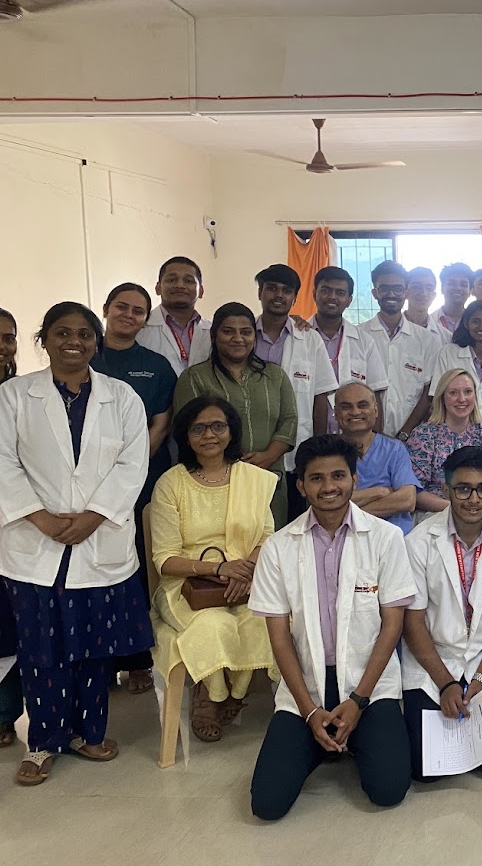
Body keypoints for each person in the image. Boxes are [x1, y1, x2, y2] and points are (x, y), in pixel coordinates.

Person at [0, 302, 153, 786]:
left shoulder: (121, 397)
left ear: (96, 341)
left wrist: (92, 516)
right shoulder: (13, 396)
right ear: (43, 339)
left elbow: (133, 463)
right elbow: (3, 462)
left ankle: (90, 733)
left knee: (95, 645)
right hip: (32, 541)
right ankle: (44, 743)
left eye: (85, 334)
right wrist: (39, 516)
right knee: (41, 648)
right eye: (62, 332)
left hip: (99, 538)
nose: (74, 341)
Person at [248, 435, 413, 820]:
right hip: (306, 688)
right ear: (301, 485)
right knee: (267, 804)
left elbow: (393, 627)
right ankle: (322, 738)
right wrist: (308, 710)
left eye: (338, 475)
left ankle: (348, 736)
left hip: (367, 688)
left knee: (388, 791)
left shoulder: (386, 539)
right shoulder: (278, 546)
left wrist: (357, 702)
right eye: (317, 478)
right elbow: (278, 636)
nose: (329, 487)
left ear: (354, 479)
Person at [149, 396, 278, 743]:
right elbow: (165, 559)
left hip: (245, 578)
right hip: (187, 585)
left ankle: (234, 693)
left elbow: (267, 537)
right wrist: (221, 569)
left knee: (262, 619)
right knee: (214, 622)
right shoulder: (171, 483)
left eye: (218, 426)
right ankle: (211, 696)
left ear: (231, 431)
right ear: (186, 436)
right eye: (199, 428)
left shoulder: (251, 479)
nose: (210, 435)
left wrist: (245, 571)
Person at [401, 445, 482, 781]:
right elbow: (413, 623)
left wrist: (481, 678)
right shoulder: (419, 542)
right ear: (446, 490)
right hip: (434, 661)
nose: (473, 499)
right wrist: (446, 684)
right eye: (463, 489)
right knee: (423, 769)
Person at [91, 282, 177, 695]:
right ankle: (99, 662)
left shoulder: (156, 365)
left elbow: (160, 423)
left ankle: (139, 659)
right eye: (121, 307)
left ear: (146, 318)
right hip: (85, 486)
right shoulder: (86, 357)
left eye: (138, 310)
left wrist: (129, 469)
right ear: (106, 309)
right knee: (93, 570)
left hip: (142, 481)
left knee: (139, 568)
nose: (129, 315)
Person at [174, 302, 297, 527]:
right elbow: (186, 430)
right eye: (228, 331)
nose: (238, 338)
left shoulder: (275, 376)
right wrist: (231, 465)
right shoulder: (194, 378)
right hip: (215, 479)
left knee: (271, 544)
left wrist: (269, 456)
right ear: (214, 336)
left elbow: (289, 421)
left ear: (254, 337)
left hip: (269, 477)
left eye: (246, 332)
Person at [252, 264, 339, 517]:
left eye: (286, 290)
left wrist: (318, 450)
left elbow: (320, 396)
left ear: (295, 298)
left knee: (293, 520)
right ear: (260, 293)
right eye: (271, 288)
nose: (279, 295)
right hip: (252, 445)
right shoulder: (245, 334)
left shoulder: (309, 339)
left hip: (296, 448)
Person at [406, 368, 482, 519]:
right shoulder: (424, 434)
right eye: (453, 393)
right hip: (437, 512)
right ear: (442, 398)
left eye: (468, 392)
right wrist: (459, 507)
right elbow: (416, 490)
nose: (462, 399)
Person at [359, 261, 439, 442]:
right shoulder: (360, 335)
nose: (391, 294)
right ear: (375, 293)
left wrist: (405, 433)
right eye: (384, 289)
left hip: (413, 436)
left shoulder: (425, 339)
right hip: (365, 436)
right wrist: (375, 435)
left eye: (397, 289)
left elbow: (428, 392)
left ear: (406, 293)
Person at [308, 266, 389, 433]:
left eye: (340, 293)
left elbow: (376, 396)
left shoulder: (364, 341)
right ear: (314, 293)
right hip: (310, 433)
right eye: (326, 290)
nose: (332, 297)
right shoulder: (300, 336)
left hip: (354, 435)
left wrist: (375, 443)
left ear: (349, 300)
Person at [334, 382, 419, 535]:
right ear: (336, 412)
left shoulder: (395, 449)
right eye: (346, 407)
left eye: (362, 405)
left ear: (375, 410)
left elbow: (407, 500)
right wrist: (380, 492)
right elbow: (326, 502)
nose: (355, 412)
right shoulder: (327, 451)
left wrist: (346, 515)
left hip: (394, 539)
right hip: (345, 538)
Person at [429, 299, 482, 424]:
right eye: (475, 321)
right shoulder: (448, 353)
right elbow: (436, 397)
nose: (481, 327)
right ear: (466, 323)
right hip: (453, 430)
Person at [0, 308, 20, 748]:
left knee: (8, 622)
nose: (3, 345)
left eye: (7, 337)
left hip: (14, 520)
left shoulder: (17, 394)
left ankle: (3, 715)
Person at [138, 256, 212, 375]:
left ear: (201, 291)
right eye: (171, 280)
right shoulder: (140, 328)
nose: (180, 285)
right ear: (158, 288)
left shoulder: (213, 331)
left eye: (188, 281)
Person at [428, 262, 474, 345]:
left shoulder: (474, 322)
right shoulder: (430, 321)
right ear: (442, 288)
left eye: (463, 285)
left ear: (470, 291)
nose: (458, 288)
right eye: (452, 283)